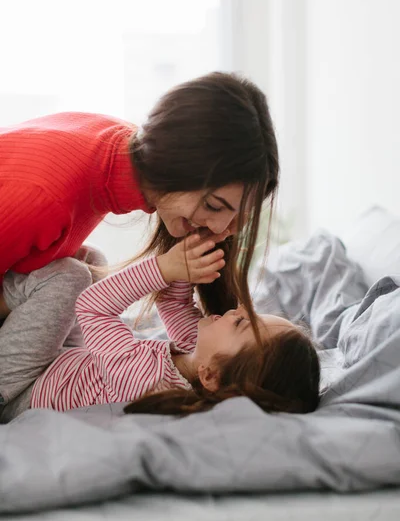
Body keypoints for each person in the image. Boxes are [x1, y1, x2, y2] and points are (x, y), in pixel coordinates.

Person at [0, 71, 280, 332]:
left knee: (88, 267)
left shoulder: (120, 144)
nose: (220, 228)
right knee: (72, 280)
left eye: (238, 217)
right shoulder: (45, 196)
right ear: (175, 165)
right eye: (215, 206)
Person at [0, 232, 320, 423]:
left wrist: (162, 268)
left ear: (212, 376)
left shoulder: (146, 382)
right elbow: (173, 304)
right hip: (67, 365)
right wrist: (188, 262)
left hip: (20, 387)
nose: (236, 310)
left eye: (240, 324)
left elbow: (93, 306)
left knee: (71, 277)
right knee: (92, 259)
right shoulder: (198, 364)